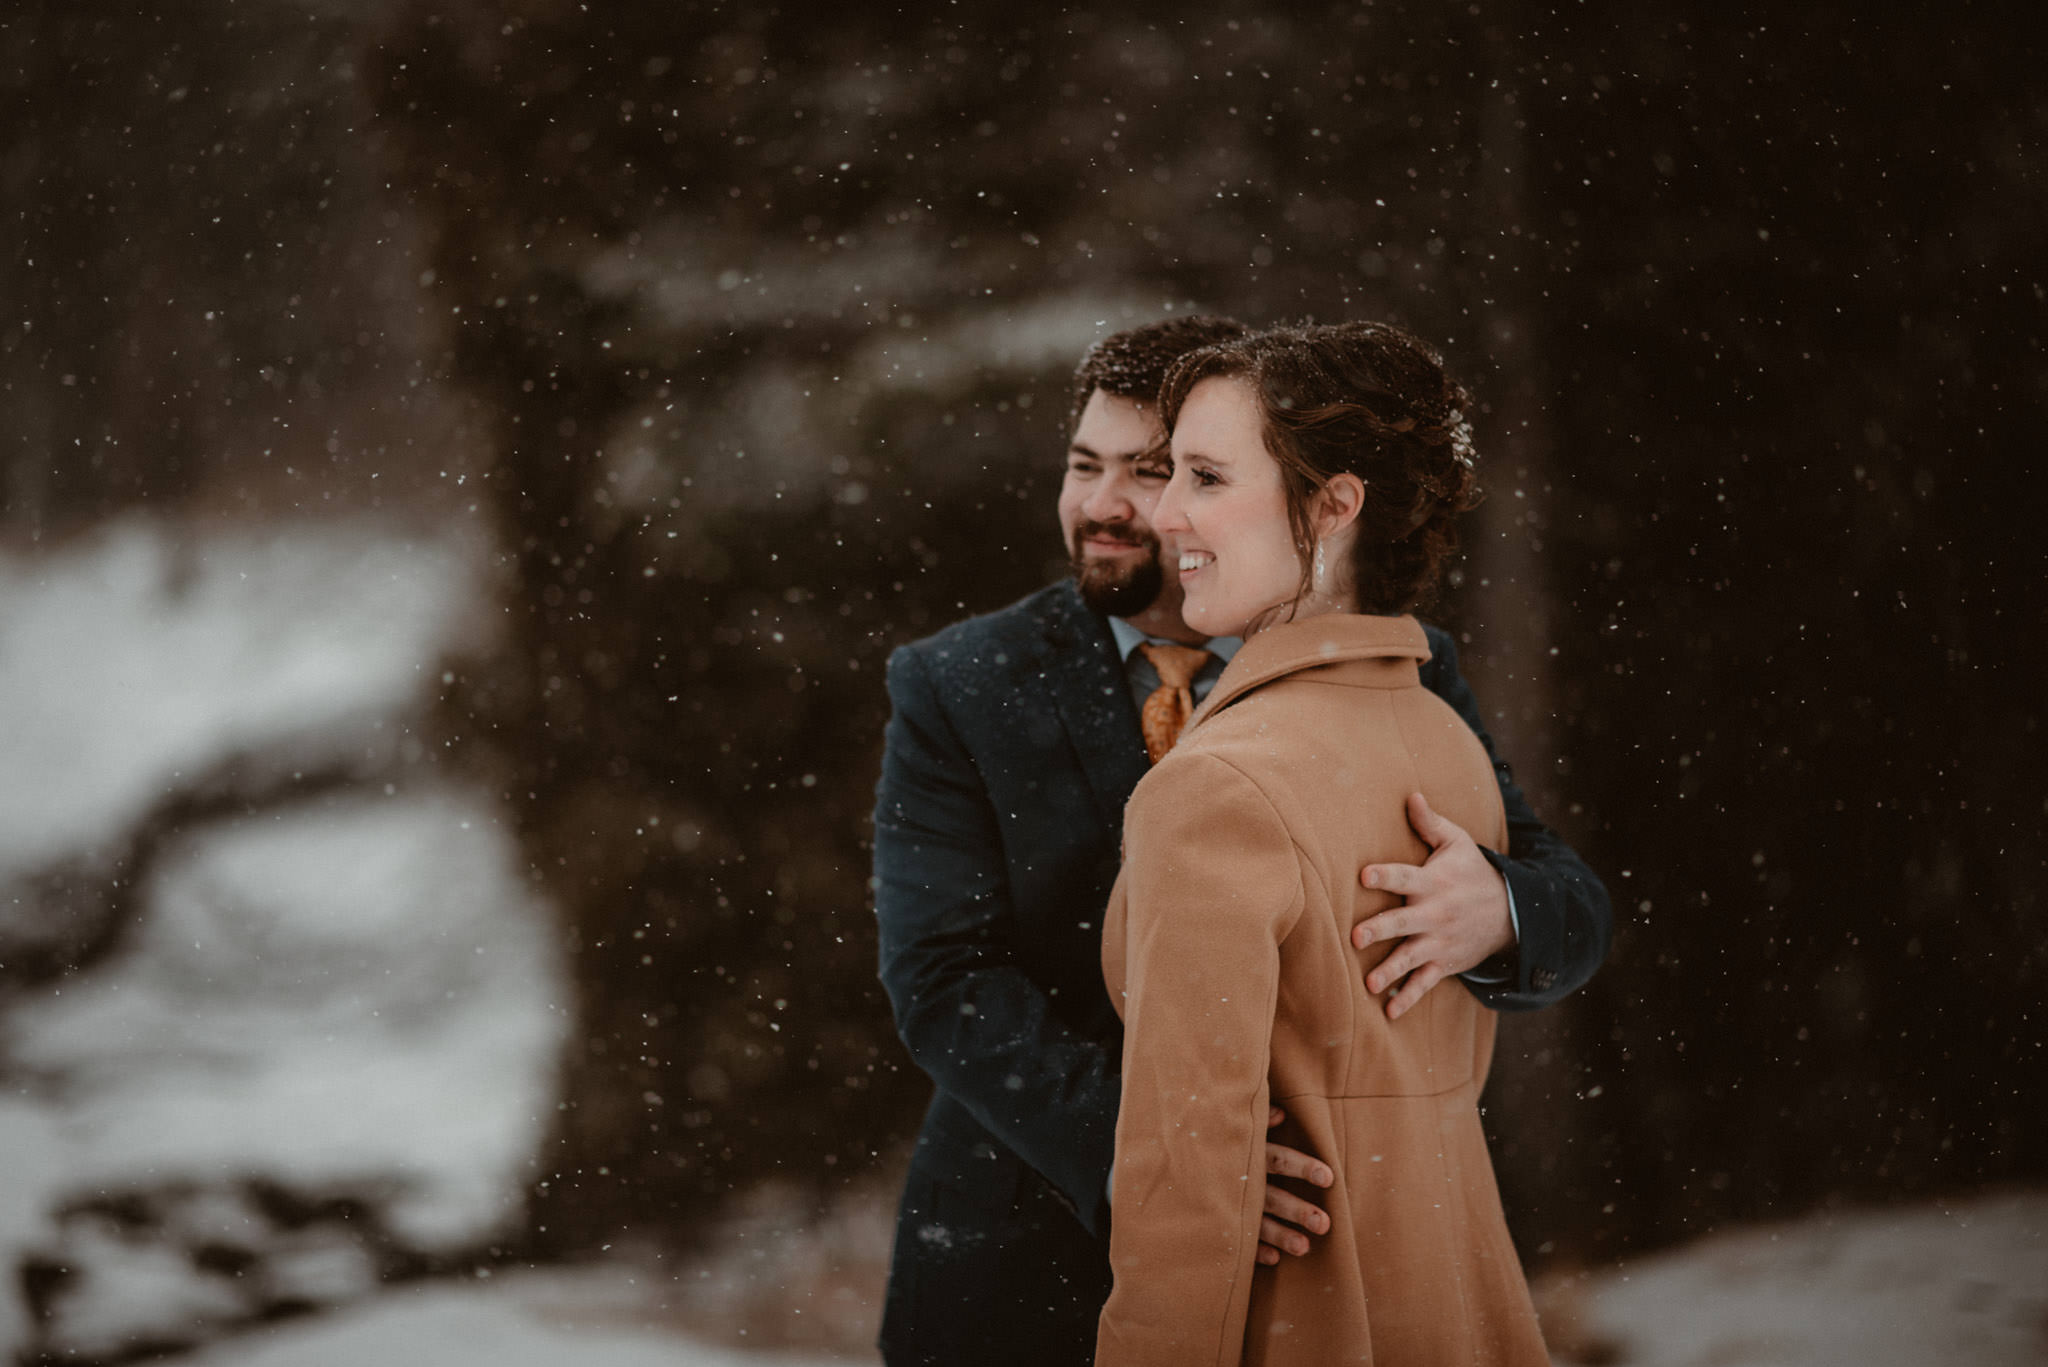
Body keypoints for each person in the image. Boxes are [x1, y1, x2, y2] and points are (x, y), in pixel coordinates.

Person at [872, 316, 1608, 1367]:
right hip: (1021, 1240)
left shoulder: (1396, 668)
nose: (1113, 505)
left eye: (1164, 469)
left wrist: (1500, 906)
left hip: (1330, 1259)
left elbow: (1564, 895)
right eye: (1085, 466)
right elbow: (940, 977)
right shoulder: (958, 680)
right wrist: (1180, 1162)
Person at [1096, 321, 1548, 1365]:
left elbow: (1185, 1175)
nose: (1163, 512)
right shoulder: (1441, 739)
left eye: (1205, 476)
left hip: (1313, 1320)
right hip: (1455, 1297)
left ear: (1333, 504)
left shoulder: (1213, 785)